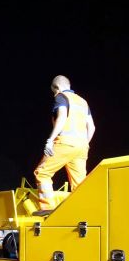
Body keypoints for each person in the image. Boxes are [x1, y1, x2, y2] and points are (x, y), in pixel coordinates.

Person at [33, 75, 96, 216]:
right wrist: (84, 143)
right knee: (79, 183)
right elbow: (92, 127)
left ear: (57, 87)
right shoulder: (83, 102)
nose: (54, 94)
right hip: (82, 147)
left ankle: (47, 209)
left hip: (64, 142)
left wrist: (50, 139)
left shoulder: (61, 97)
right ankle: (82, 212)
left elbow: (61, 117)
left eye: (54, 91)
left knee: (42, 172)